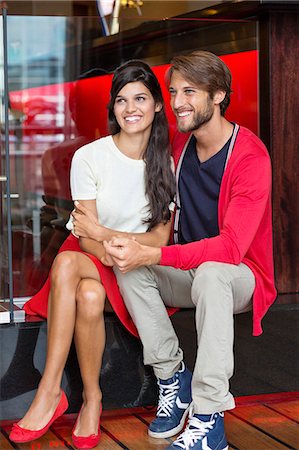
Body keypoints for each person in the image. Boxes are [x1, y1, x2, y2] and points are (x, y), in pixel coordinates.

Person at [104, 51, 277, 450]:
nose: (178, 101)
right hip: (191, 273)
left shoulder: (249, 155)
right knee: (129, 264)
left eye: (190, 91)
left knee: (215, 270)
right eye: (174, 91)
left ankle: (208, 416)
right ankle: (173, 380)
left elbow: (232, 248)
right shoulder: (179, 149)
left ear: (218, 96)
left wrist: (157, 255)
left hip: (240, 276)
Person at [9, 60, 175, 449]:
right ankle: (87, 398)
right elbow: (84, 237)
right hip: (89, 254)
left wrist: (117, 240)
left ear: (156, 106)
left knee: (77, 278)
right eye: (121, 100)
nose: (130, 108)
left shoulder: (163, 163)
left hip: (134, 265)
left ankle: (54, 394)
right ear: (113, 109)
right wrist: (124, 241)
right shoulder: (89, 157)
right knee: (83, 285)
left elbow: (162, 240)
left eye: (140, 98)